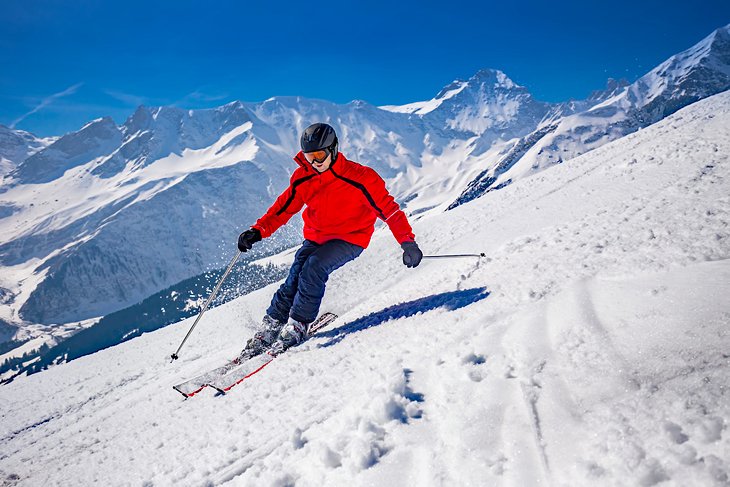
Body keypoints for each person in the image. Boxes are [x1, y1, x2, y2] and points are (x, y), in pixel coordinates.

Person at [236, 122, 422, 355]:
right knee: (295, 274)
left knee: (313, 268)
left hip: (350, 238)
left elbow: (389, 210)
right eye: (309, 156)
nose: (315, 162)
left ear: (333, 149)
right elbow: (283, 208)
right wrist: (258, 230)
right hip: (316, 237)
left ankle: (298, 324)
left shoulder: (361, 178)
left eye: (319, 155)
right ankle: (273, 323)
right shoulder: (303, 177)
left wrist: (407, 242)